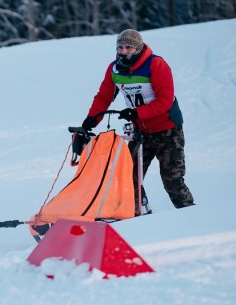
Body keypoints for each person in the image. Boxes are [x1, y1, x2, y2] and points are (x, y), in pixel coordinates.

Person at [81, 29, 194, 211]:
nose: (124, 51)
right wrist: (91, 120)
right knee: (127, 177)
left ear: (139, 48)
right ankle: (134, 214)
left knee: (172, 180)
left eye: (129, 48)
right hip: (140, 131)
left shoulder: (156, 64)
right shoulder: (114, 69)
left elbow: (165, 101)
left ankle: (191, 215)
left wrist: (137, 113)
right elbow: (104, 96)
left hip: (167, 129)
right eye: (120, 47)